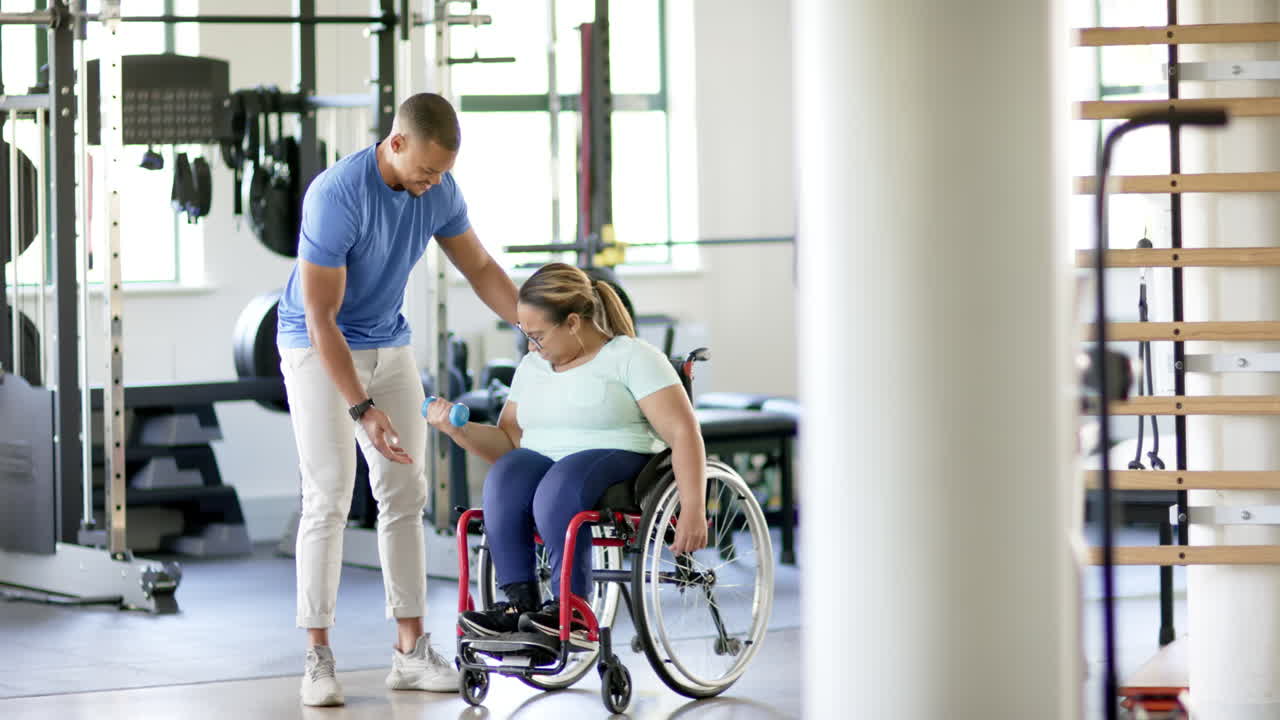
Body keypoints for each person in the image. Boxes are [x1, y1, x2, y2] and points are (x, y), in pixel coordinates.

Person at [275, 93, 519, 706]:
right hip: (316, 344)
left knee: (405, 493)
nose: (434, 182)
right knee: (328, 494)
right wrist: (363, 409)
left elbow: (482, 267)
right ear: (397, 141)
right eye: (427, 170)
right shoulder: (336, 196)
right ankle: (317, 658)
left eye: (443, 174)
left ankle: (410, 651)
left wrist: (536, 328)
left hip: (389, 341)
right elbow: (321, 316)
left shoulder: (437, 188)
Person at [424, 263, 709, 651]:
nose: (531, 347)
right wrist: (458, 430)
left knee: (561, 484)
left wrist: (693, 506)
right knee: (507, 474)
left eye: (538, 336)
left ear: (573, 322)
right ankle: (518, 605)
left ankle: (570, 610)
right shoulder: (532, 367)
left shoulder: (632, 357)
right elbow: (508, 441)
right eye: (526, 336)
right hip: (546, 467)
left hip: (622, 464)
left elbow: (682, 431)